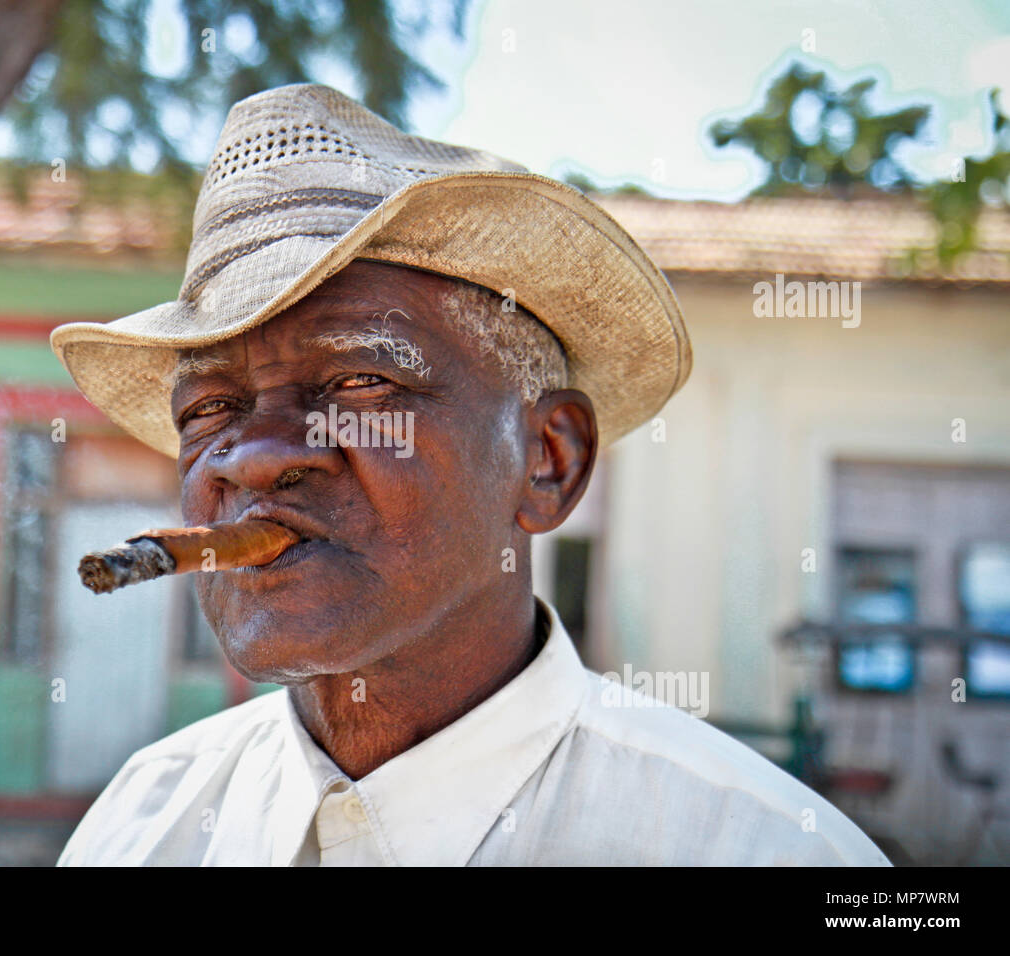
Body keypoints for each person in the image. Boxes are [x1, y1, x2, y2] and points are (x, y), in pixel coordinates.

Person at [49, 83, 890, 866]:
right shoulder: (140, 828)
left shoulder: (756, 847)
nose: (256, 455)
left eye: (359, 381)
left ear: (548, 461)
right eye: (209, 411)